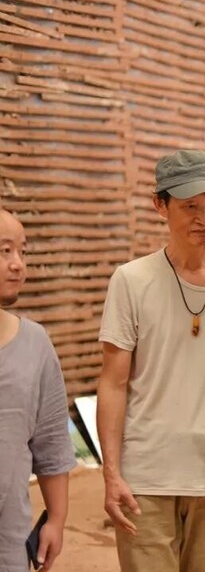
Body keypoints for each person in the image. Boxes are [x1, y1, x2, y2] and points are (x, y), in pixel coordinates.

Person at [96, 150, 205, 572]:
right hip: (146, 475)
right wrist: (111, 473)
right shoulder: (131, 281)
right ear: (160, 206)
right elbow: (113, 383)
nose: (204, 218)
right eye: (190, 206)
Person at [0, 208, 76, 571]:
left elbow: (51, 442)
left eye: (22, 251)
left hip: (7, 541)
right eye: (5, 251)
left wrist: (56, 519)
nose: (18, 264)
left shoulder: (34, 344)